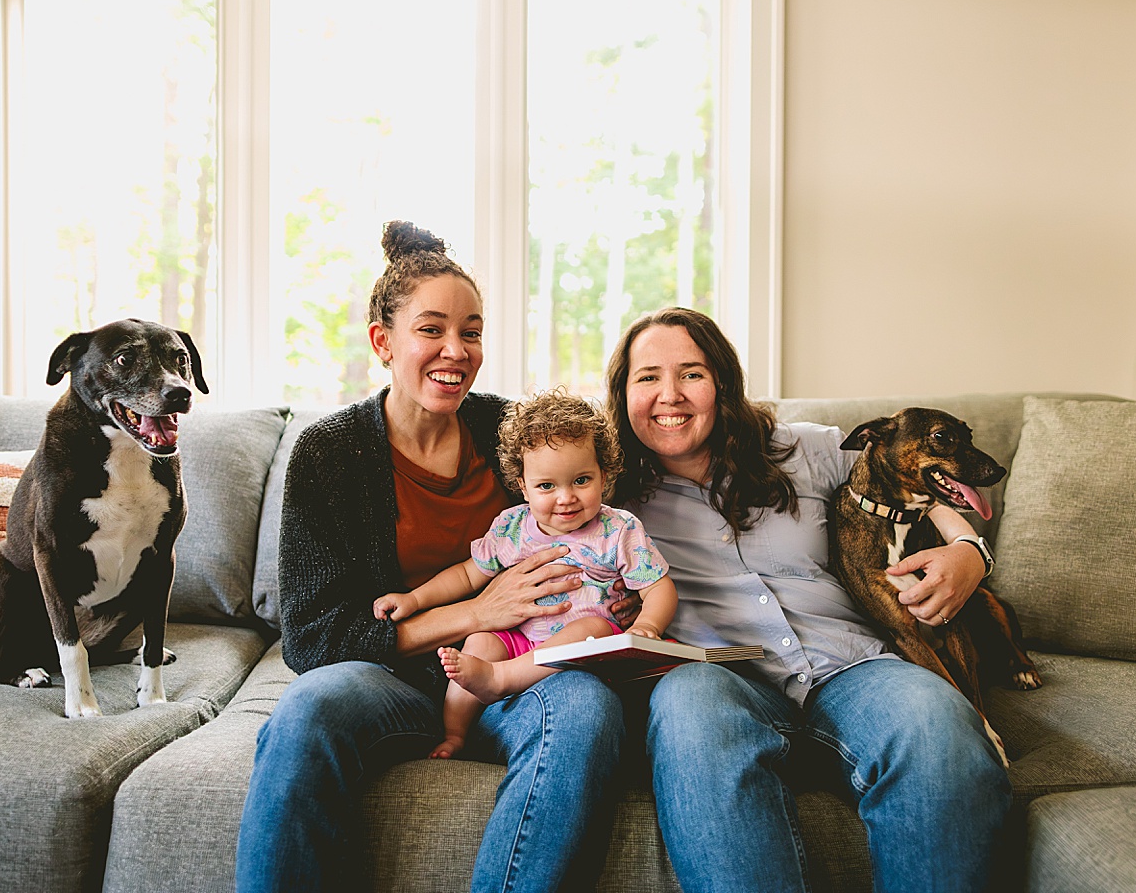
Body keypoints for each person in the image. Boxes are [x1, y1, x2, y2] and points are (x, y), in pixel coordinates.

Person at [234, 222, 626, 893]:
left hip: (513, 671)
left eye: (471, 332)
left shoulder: (510, 431)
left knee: (588, 709)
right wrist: (475, 609)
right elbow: (313, 639)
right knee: (306, 711)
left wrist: (614, 595)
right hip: (387, 679)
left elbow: (597, 498)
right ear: (382, 342)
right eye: (432, 329)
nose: (456, 350)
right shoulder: (330, 451)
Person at [605, 306, 1011, 893]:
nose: (671, 395)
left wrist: (970, 551)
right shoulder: (604, 489)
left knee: (936, 722)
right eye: (647, 377)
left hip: (852, 668)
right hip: (722, 675)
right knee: (687, 706)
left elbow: (910, 474)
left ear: (723, 383)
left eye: (691, 373)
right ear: (622, 394)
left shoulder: (800, 449)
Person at [373, 388, 678, 760]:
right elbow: (469, 576)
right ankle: (454, 733)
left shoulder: (617, 529)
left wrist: (647, 625)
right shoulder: (512, 527)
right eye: (547, 486)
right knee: (481, 642)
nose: (566, 497)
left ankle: (501, 679)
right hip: (519, 638)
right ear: (523, 487)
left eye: (581, 480)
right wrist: (414, 599)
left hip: (585, 649)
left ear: (604, 474)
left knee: (591, 631)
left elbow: (659, 587)